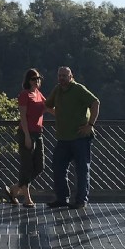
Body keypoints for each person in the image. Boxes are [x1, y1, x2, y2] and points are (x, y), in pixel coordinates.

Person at [44, 65, 100, 209]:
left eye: (65, 75)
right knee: (58, 167)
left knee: (82, 170)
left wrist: (90, 125)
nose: (62, 78)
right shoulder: (57, 90)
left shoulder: (78, 89)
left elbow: (95, 103)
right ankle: (62, 198)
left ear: (71, 76)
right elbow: (47, 105)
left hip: (80, 137)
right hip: (63, 138)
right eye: (60, 75)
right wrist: (59, 114)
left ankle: (81, 200)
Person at [12, 68, 49, 207]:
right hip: (26, 133)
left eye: (38, 78)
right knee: (26, 165)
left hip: (38, 134)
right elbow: (23, 117)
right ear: (28, 80)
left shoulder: (38, 94)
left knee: (40, 166)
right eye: (34, 78)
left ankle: (15, 189)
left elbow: (48, 108)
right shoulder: (24, 95)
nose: (37, 81)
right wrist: (27, 136)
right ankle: (27, 199)